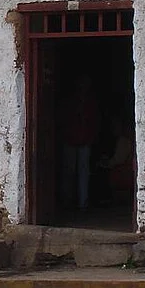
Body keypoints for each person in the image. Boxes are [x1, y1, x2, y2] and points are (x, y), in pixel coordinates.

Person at [61, 73, 99, 215]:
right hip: (71, 139)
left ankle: (81, 203)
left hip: (83, 140)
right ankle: (69, 201)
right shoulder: (72, 101)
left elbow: (94, 121)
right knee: (70, 172)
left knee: (82, 172)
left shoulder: (89, 101)